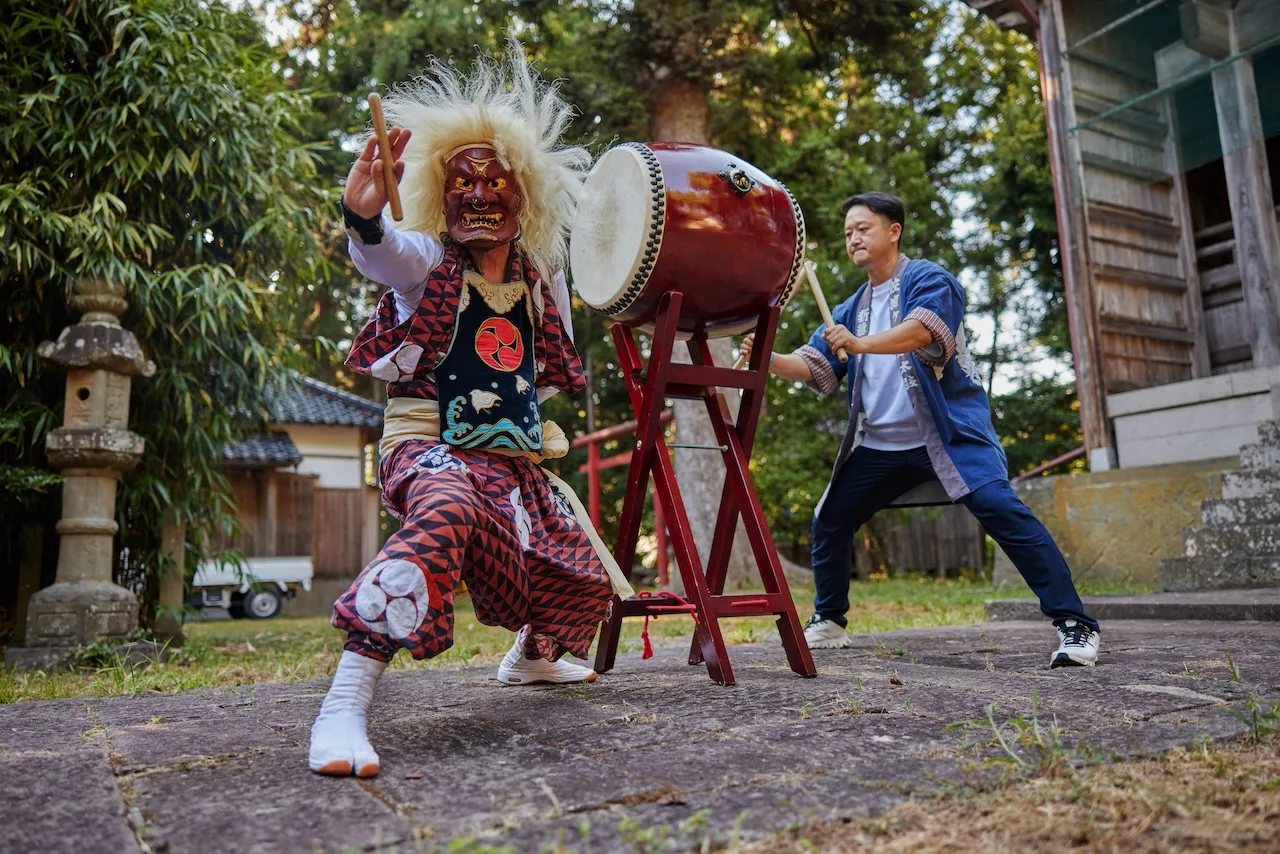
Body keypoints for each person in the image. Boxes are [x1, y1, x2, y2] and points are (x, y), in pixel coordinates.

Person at [308, 44, 629, 779]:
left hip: (509, 463)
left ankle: (532, 659)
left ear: (526, 195)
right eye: (463, 180)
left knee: (581, 572)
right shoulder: (427, 263)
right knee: (447, 506)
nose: (480, 192)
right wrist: (363, 219)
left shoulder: (544, 285)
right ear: (438, 193)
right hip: (430, 451)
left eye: (496, 180)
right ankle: (344, 706)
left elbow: (536, 380)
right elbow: (385, 253)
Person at [740, 192, 1100, 669]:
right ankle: (829, 620)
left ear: (894, 231)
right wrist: (766, 357)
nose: (854, 238)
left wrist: (861, 343)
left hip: (948, 435)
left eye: (863, 228)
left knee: (999, 506)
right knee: (830, 518)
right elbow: (813, 365)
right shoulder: (852, 308)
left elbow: (924, 331)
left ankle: (1075, 624)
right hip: (883, 445)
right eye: (848, 232)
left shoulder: (930, 279)